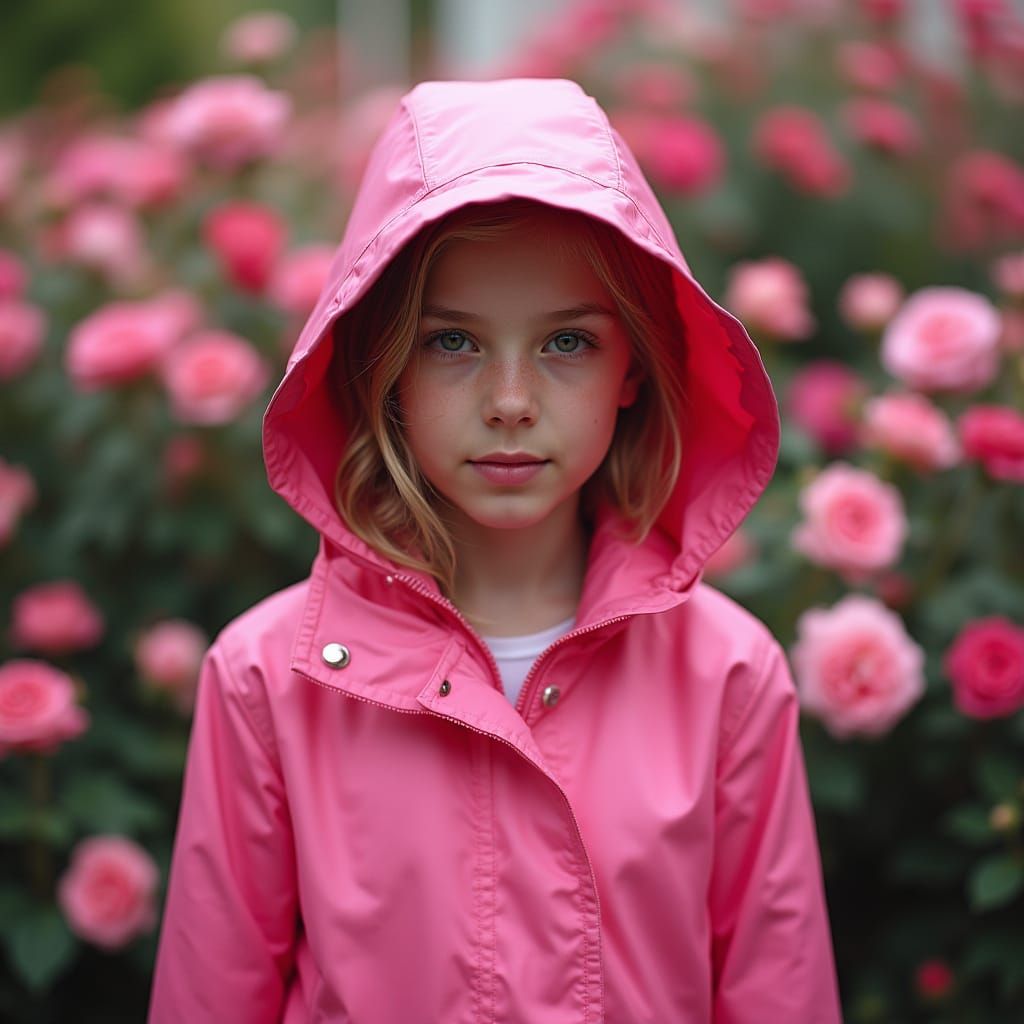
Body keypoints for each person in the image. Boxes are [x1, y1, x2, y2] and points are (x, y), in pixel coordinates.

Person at [148, 78, 843, 1023]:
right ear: (376, 363)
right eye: (451, 344)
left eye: (565, 341)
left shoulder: (728, 676)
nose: (510, 400)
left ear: (633, 364)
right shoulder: (270, 681)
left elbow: (778, 989)